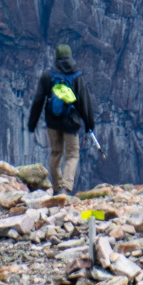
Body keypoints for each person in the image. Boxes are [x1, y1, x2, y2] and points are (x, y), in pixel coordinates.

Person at [28, 42, 95, 194]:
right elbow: (85, 103)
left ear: (56, 58)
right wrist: (89, 124)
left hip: (53, 122)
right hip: (71, 123)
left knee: (56, 154)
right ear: (70, 57)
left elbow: (39, 100)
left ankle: (57, 189)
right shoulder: (77, 76)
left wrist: (32, 123)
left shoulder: (48, 75)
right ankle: (66, 186)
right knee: (72, 155)